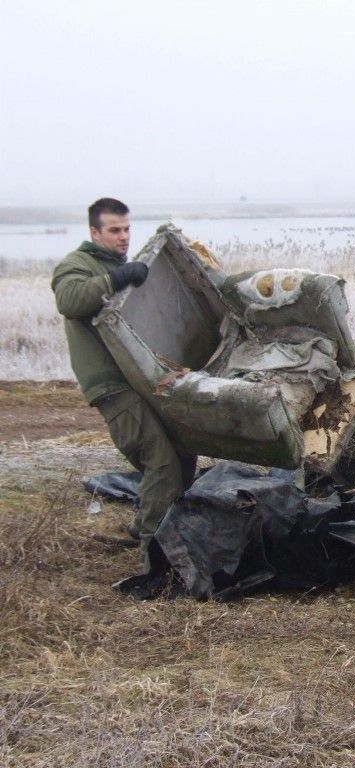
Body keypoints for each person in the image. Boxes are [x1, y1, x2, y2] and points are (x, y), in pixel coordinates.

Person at [51, 198, 196, 566]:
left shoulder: (122, 266)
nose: (123, 237)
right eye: (114, 230)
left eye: (127, 229)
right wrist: (118, 277)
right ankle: (155, 555)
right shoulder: (78, 265)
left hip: (141, 382)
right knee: (160, 463)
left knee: (182, 453)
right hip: (112, 387)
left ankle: (152, 527)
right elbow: (70, 300)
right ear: (94, 232)